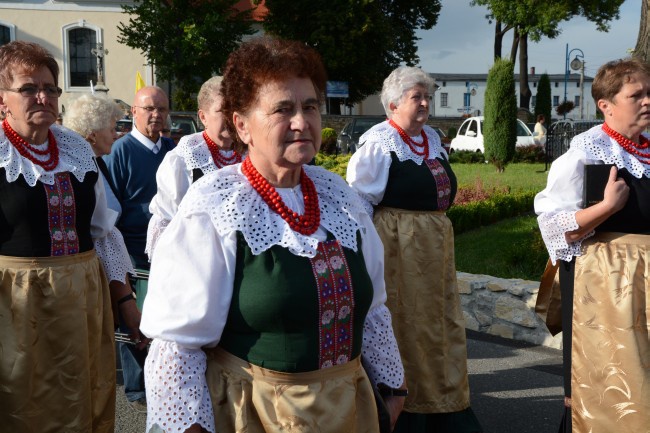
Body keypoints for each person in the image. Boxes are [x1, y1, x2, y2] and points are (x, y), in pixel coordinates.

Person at [140, 37, 406, 433]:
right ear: (242, 124)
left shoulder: (340, 197)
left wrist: (393, 388)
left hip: (349, 411)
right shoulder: (215, 205)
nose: (302, 121)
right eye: (283, 109)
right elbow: (176, 344)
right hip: (259, 415)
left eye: (311, 106)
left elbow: (373, 309)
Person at [0, 40, 133, 432]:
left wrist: (126, 301)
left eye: (50, 88)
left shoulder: (76, 148)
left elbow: (104, 231)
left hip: (81, 302)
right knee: (22, 405)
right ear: (3, 99)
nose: (42, 96)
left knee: (81, 396)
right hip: (17, 305)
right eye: (28, 88)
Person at [347, 66, 483, 433]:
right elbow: (359, 207)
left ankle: (444, 404)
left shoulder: (432, 140)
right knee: (406, 326)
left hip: (434, 249)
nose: (425, 103)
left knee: (440, 326)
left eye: (427, 96)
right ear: (393, 105)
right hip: (398, 250)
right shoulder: (379, 144)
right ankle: (407, 411)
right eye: (416, 98)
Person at [535, 58, 650, 433]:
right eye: (637, 95)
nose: (648, 101)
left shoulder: (646, 152)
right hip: (609, 292)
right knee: (616, 392)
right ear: (606, 105)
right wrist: (606, 207)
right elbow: (554, 228)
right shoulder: (587, 154)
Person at [103, 85, 176, 410]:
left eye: (161, 109)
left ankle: (164, 379)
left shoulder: (172, 149)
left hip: (169, 250)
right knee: (134, 319)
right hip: (133, 250)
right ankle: (136, 389)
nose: (156, 115)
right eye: (149, 109)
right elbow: (110, 207)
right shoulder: (120, 152)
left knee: (163, 322)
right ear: (134, 111)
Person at [63, 93, 146, 344]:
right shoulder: (83, 163)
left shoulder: (96, 162)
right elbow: (101, 228)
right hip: (86, 275)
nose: (116, 134)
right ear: (92, 134)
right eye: (112, 128)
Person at [146, 76, 239, 257]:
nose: (230, 118)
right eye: (222, 111)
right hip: (199, 258)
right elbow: (167, 220)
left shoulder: (250, 152)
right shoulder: (184, 159)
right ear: (203, 116)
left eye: (235, 110)